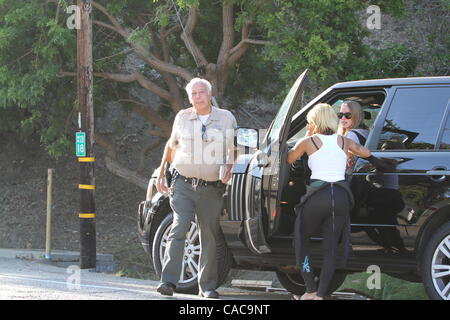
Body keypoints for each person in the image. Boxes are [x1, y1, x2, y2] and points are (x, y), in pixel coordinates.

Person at [287, 103, 391, 300]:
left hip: (318, 196)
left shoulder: (309, 141)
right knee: (331, 248)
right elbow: (367, 154)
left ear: (314, 122)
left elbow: (289, 158)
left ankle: (310, 289)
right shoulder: (344, 141)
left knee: (301, 241)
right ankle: (321, 294)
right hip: (342, 197)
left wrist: (306, 134)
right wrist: (383, 165)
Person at [155, 78, 237, 299]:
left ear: (210, 95)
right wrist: (162, 172)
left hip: (211, 188)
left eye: (201, 92)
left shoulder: (226, 118)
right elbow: (171, 146)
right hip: (183, 184)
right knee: (179, 226)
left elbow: (235, 148)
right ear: (189, 97)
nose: (198, 96)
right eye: (193, 94)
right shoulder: (182, 117)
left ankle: (207, 287)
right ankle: (168, 281)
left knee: (208, 235)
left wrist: (229, 166)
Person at [337, 100, 370, 172]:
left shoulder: (352, 135)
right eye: (340, 115)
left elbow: (343, 165)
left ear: (356, 116)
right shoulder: (366, 132)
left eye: (348, 115)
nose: (343, 118)